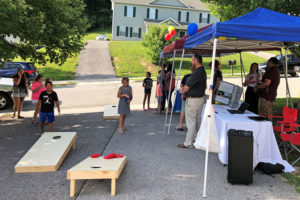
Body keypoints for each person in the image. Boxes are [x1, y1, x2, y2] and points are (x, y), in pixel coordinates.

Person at [178, 54, 207, 148]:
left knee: (191, 122)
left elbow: (186, 87)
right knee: (197, 120)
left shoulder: (197, 72)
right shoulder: (202, 71)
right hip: (199, 99)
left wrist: (182, 91)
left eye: (192, 60)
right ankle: (198, 140)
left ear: (196, 61)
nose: (191, 62)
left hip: (193, 100)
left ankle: (188, 143)